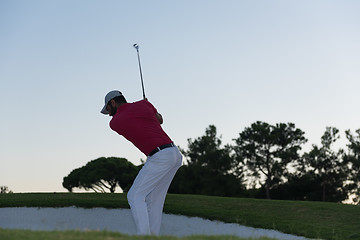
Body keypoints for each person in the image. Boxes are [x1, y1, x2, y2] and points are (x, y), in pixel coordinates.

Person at [101, 90, 182, 235]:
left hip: (160, 157)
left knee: (134, 196)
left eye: (107, 109)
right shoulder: (144, 105)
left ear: (113, 102)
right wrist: (148, 106)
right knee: (154, 200)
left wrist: (146, 108)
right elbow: (160, 119)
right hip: (174, 154)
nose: (108, 113)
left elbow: (133, 118)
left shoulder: (114, 122)